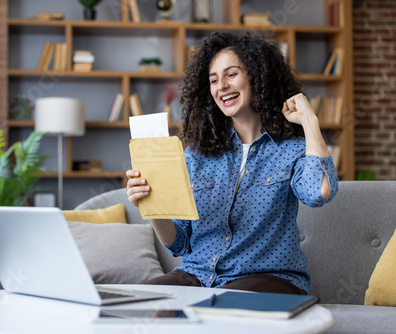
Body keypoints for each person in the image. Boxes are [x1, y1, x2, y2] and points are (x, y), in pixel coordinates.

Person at [126, 32, 339, 295]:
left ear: (257, 77)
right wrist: (152, 205)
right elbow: (179, 243)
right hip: (198, 275)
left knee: (223, 309)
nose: (221, 86)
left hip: (267, 277)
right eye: (213, 80)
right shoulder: (197, 155)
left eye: (231, 74)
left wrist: (310, 121)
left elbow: (319, 193)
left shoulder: (292, 149)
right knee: (135, 302)